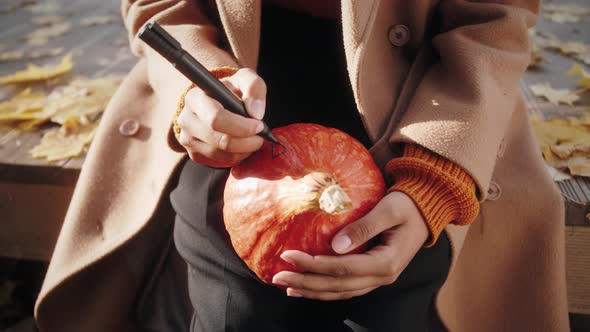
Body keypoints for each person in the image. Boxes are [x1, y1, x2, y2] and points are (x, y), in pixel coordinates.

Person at [34, 1, 569, 332]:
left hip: (433, 104)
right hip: (235, 91)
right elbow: (160, 7)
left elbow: (493, 24)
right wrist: (197, 88)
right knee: (234, 306)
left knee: (393, 306)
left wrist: (434, 179)